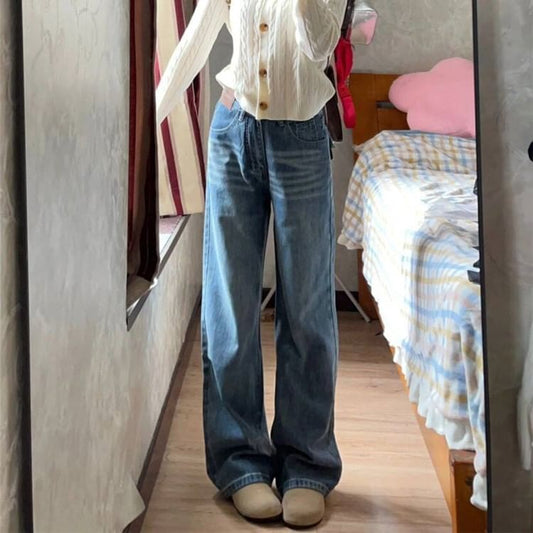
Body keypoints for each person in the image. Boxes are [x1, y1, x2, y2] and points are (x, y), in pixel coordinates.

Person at [157, 0, 347, 527]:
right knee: (230, 309)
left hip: (301, 141)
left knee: (307, 309)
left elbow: (318, 46)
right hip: (232, 132)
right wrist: (146, 124)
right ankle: (240, 463)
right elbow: (196, 39)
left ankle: (306, 465)